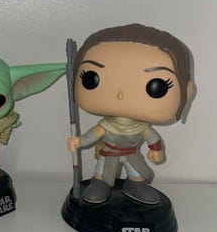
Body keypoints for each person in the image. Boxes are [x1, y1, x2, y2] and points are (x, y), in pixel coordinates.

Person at [67, 24, 193, 205]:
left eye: (156, 86)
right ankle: (100, 184)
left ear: (186, 91)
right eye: (91, 78)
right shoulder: (107, 125)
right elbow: (92, 135)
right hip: (109, 153)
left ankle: (135, 186)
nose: (120, 95)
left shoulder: (141, 127)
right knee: (102, 172)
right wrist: (79, 141)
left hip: (132, 154)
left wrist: (156, 150)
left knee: (137, 173)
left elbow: (152, 138)